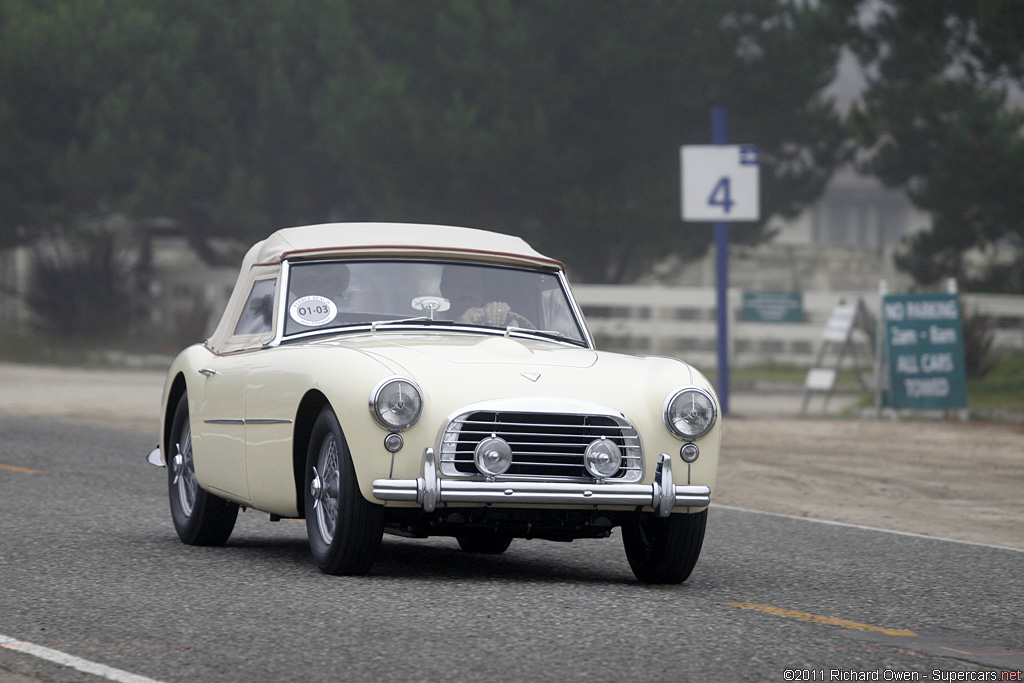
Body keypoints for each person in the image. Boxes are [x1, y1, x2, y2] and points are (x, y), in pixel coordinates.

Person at [439, 264, 526, 327]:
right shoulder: (430, 321)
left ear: (483, 291)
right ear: (444, 289)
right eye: (459, 283)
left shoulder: (490, 320)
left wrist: (503, 317)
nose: (468, 290)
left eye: (476, 284)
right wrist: (457, 326)